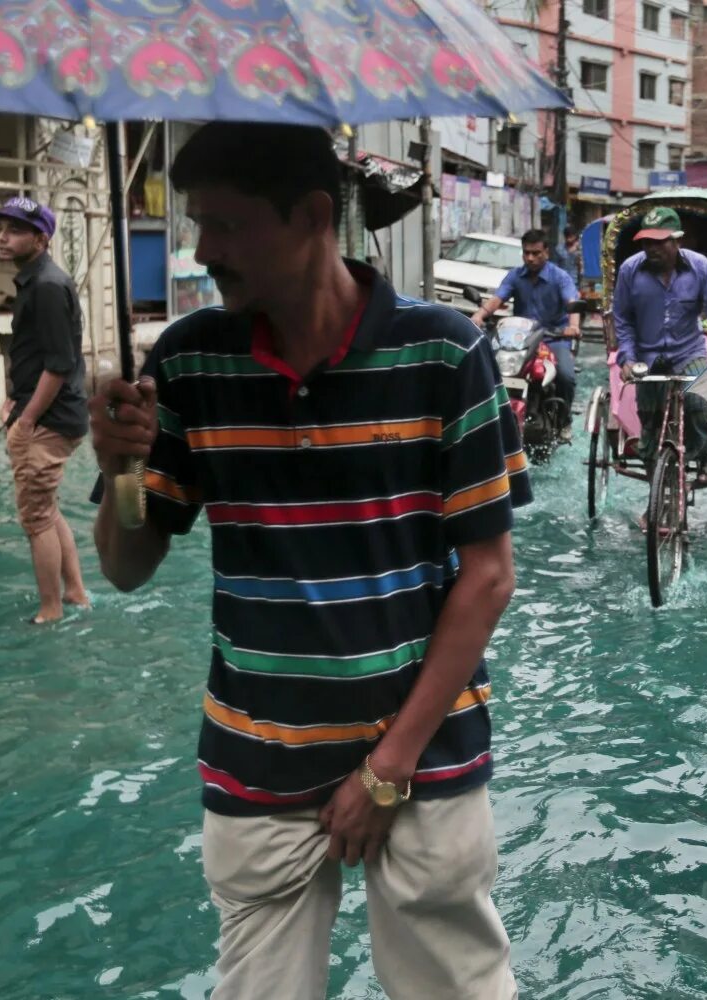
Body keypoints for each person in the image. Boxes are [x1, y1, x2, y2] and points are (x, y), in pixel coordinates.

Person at [88, 122, 529, 1000]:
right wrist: (122, 469)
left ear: (315, 216)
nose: (203, 249)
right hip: (259, 755)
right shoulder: (187, 362)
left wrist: (388, 767)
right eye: (196, 224)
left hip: (425, 756)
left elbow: (488, 575)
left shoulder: (445, 352)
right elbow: (127, 565)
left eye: (227, 225)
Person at [0, 195, 91, 625]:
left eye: (13, 230)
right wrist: (18, 398)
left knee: (34, 516)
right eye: (1, 227)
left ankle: (50, 610)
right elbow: (42, 358)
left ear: (41, 239)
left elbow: (59, 363)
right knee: (45, 508)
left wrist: (26, 420)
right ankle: (75, 593)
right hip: (49, 412)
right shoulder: (38, 280)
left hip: (48, 419)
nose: (2, 236)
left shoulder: (47, 285)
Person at [612, 206, 707, 484]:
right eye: (646, 242)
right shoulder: (630, 270)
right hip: (648, 354)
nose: (651, 248)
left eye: (659, 242)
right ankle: (655, 494)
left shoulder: (699, 266)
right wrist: (627, 359)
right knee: (650, 424)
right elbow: (622, 319)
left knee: (701, 404)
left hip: (688, 350)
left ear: (677, 240)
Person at [471, 228, 581, 436]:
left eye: (536, 253)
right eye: (526, 253)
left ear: (546, 252)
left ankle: (565, 422)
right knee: (486, 369)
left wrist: (573, 327)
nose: (530, 258)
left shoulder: (560, 277)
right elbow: (497, 299)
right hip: (521, 340)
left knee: (566, 376)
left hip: (553, 338)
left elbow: (572, 303)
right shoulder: (515, 276)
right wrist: (479, 316)